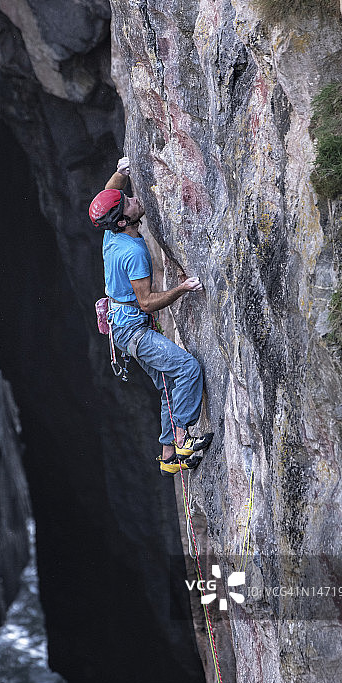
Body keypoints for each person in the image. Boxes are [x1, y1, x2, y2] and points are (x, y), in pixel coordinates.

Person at [89, 157, 213, 475]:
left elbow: (108, 194)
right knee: (186, 370)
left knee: (169, 386)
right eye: (128, 202)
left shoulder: (111, 235)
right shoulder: (132, 253)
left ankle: (169, 456)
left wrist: (120, 173)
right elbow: (145, 302)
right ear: (122, 222)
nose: (135, 199)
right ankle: (183, 439)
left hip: (122, 326)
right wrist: (183, 288)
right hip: (134, 329)